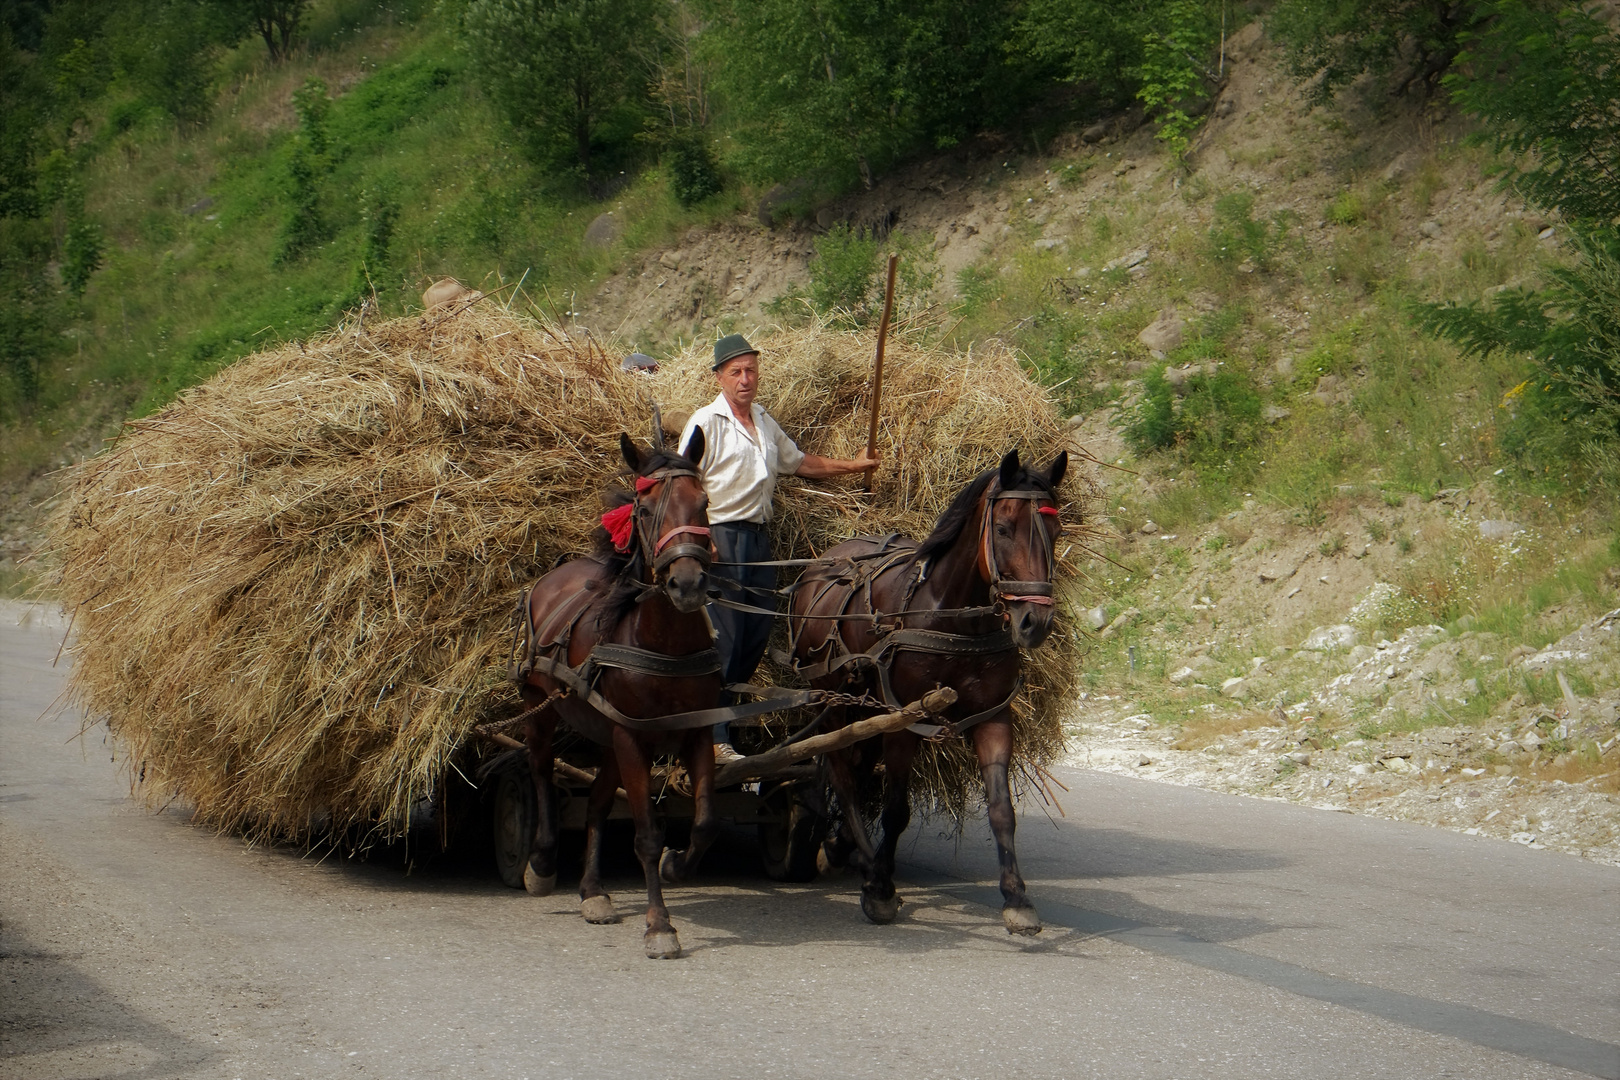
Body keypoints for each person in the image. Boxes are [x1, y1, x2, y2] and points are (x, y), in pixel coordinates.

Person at [680, 333, 878, 763]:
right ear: (719, 377)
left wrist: (853, 465)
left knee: (754, 637)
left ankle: (722, 728)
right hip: (722, 539)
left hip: (757, 539)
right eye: (736, 372)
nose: (745, 378)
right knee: (727, 638)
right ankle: (712, 738)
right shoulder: (706, 422)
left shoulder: (764, 421)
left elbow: (801, 462)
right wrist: (701, 537)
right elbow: (682, 482)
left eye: (751, 369)